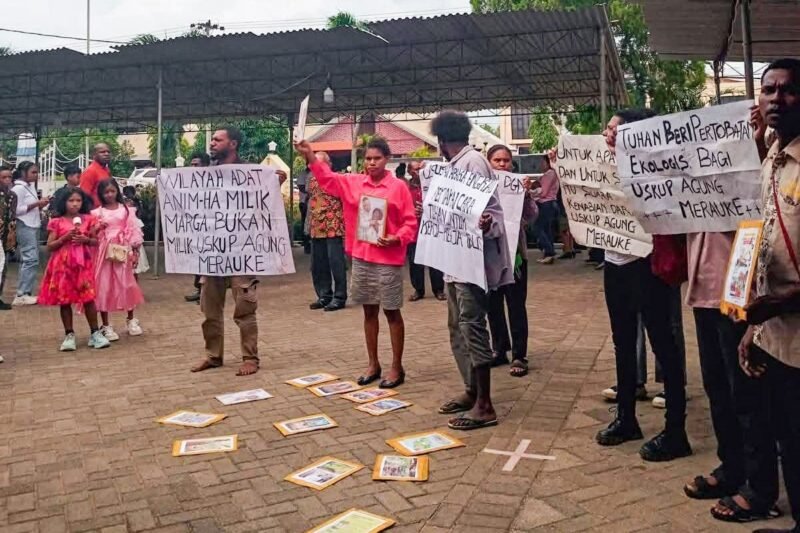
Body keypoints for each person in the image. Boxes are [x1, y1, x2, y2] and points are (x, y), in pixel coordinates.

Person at [595, 108, 690, 462]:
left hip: (648, 263)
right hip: (615, 262)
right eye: (606, 129)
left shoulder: (655, 168)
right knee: (622, 341)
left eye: (614, 130)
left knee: (663, 343)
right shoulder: (600, 166)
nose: (607, 134)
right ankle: (626, 418)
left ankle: (676, 430)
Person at [297, 136, 418, 389]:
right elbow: (327, 178)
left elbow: (410, 223)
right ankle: (373, 363)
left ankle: (397, 366)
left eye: (377, 158)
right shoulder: (353, 182)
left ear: (387, 160)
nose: (372, 163)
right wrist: (309, 155)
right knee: (369, 311)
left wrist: (397, 238)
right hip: (362, 257)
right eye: (368, 159)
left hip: (388, 259)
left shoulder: (398, 187)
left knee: (392, 312)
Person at [739, 58, 800, 533]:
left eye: (788, 90)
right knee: (790, 440)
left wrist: (775, 305)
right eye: (768, 90)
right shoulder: (771, 159)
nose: (776, 99)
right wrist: (754, 329)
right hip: (777, 337)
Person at [430, 111, 513, 430]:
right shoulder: (453, 166)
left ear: (442, 140)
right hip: (454, 261)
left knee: (472, 325)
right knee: (458, 326)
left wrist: (485, 224)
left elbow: (491, 213)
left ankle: (485, 404)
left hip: (470, 264)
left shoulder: (473, 163)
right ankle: (472, 389)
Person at [191, 128, 286, 377]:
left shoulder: (251, 172)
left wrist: (274, 183)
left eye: (217, 140)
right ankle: (213, 355)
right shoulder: (206, 175)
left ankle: (250, 358)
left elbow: (263, 204)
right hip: (213, 250)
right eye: (212, 140)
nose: (212, 143)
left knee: (244, 306)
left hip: (242, 249)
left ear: (232, 144)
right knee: (209, 308)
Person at [485, 144, 537, 377]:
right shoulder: (481, 186)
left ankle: (519, 354)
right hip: (490, 255)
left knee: (516, 305)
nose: (502, 164)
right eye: (497, 160)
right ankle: (499, 349)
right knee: (492, 305)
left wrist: (525, 196)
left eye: (506, 160)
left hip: (515, 257)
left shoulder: (519, 187)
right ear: (489, 163)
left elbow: (532, 216)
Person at [37, 187, 110, 351]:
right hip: (62, 266)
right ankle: (69, 334)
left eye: (78, 200)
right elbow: (49, 246)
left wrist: (86, 239)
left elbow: (95, 242)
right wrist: (64, 238)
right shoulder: (56, 222)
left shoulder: (89, 220)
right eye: (71, 201)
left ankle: (95, 332)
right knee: (65, 300)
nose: (75, 204)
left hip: (83, 265)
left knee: (88, 298)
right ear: (64, 202)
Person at [92, 179, 145, 340]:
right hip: (104, 252)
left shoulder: (126, 210)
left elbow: (133, 230)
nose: (109, 195)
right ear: (101, 194)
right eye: (106, 192)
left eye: (112, 191)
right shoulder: (97, 213)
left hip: (123, 250)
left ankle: (131, 319)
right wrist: (97, 228)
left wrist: (134, 251)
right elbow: (91, 234)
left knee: (127, 283)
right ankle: (106, 324)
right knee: (104, 286)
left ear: (117, 191)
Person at [307, 151, 347, 312]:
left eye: (319, 163)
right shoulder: (311, 180)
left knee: (336, 263)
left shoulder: (336, 179)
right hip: (316, 227)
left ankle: (339, 296)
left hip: (333, 226)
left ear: (328, 164)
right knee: (318, 264)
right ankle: (324, 295)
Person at [406, 161, 445, 301]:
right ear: (410, 172)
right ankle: (418, 290)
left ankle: (438, 289)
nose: (420, 172)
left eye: (421, 169)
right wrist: (412, 211)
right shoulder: (406, 189)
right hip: (414, 231)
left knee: (435, 261)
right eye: (416, 169)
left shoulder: (433, 187)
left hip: (432, 230)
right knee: (415, 262)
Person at [11, 162, 49, 306]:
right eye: (33, 172)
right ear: (23, 172)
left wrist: (40, 204)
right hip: (25, 224)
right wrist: (36, 204)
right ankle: (22, 293)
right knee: (30, 259)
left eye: (36, 172)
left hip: (32, 224)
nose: (36, 175)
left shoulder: (29, 186)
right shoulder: (18, 189)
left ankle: (25, 291)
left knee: (31, 259)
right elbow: (16, 210)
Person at [185, 152, 211, 303]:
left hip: (211, 229)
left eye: (197, 164)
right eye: (192, 164)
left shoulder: (214, 182)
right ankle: (200, 289)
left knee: (207, 260)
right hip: (195, 228)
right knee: (197, 260)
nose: (193, 167)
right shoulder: (187, 182)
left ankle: (205, 293)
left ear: (206, 166)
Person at [533, 155, 559, 265]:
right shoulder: (551, 174)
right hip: (549, 203)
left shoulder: (550, 174)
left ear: (548, 163)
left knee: (537, 228)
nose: (541, 165)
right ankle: (548, 253)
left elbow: (543, 192)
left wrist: (533, 193)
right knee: (547, 229)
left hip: (546, 203)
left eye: (543, 162)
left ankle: (549, 251)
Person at [0, 163, 17, 310]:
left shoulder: (12, 195)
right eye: (4, 177)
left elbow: (12, 216)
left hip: (5, 235)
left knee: (3, 267)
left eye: (9, 177)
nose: (7, 180)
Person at [79, 143, 112, 208]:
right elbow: (84, 196)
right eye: (102, 152)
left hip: (106, 210)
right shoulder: (90, 171)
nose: (106, 154)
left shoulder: (107, 170)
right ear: (94, 155)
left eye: (108, 152)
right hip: (95, 211)